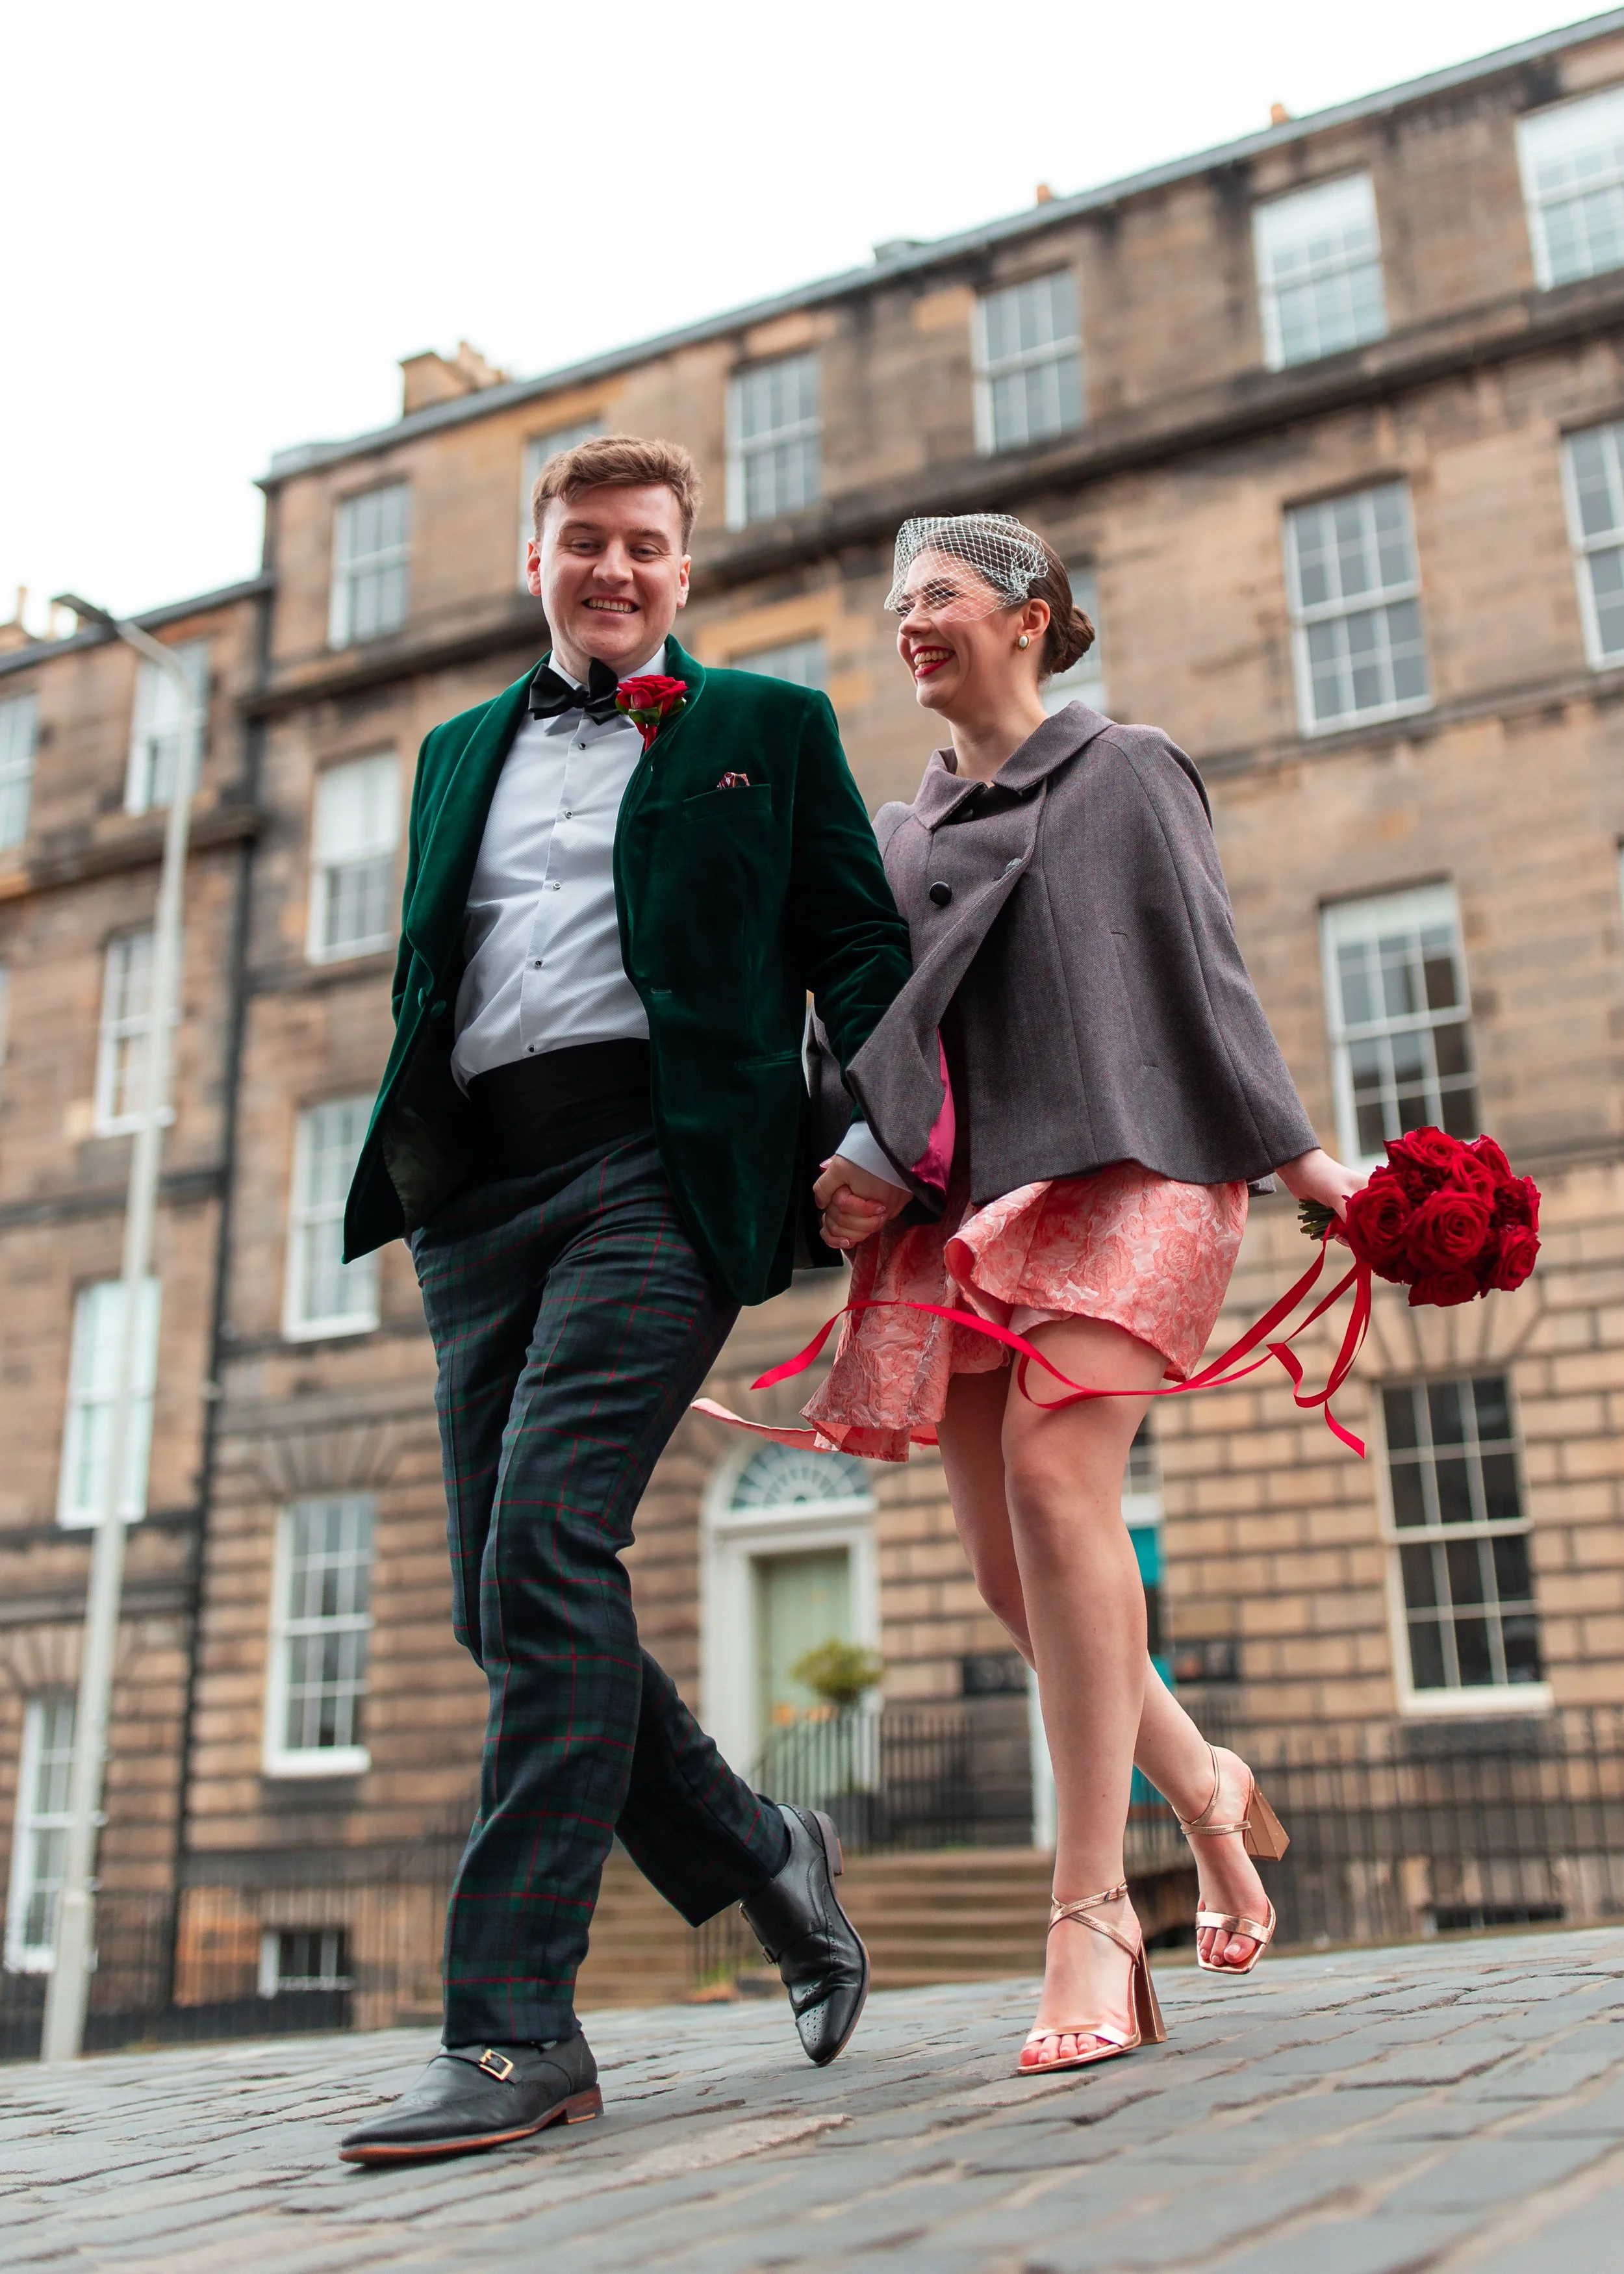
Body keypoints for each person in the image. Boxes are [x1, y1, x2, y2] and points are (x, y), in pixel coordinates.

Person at [335, 435, 913, 2164]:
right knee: (505, 1602)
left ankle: (513, 2030)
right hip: (477, 1207)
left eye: (644, 546)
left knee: (543, 1554)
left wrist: (884, 1127)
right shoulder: (453, 753)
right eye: (582, 541)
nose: (613, 567)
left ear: (681, 573)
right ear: (536, 562)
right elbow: (439, 964)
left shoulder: (762, 729)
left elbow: (858, 942)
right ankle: (764, 1850)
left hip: (655, 1176)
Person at [807, 513, 1364, 2076]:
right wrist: (852, 1157)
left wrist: (1306, 1163)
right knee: (1004, 1567)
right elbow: (886, 1035)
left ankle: (1090, 1911)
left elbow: (1205, 971)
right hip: (966, 1208)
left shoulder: (1127, 769)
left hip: (1134, 1165)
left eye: (942, 595)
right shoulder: (896, 832)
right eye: (900, 599)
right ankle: (1204, 1789)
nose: (912, 619)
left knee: (1064, 1484)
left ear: (1034, 617)